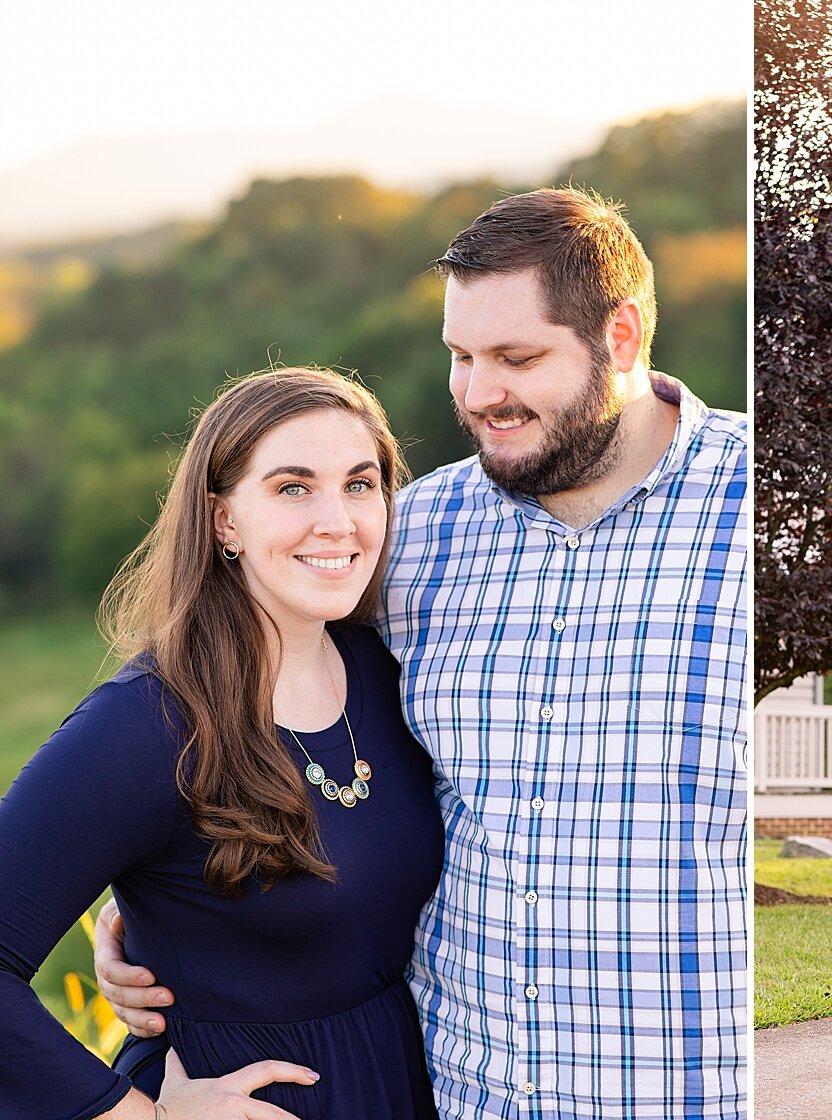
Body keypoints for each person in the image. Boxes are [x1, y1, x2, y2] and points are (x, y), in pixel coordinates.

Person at [98, 188, 749, 1119]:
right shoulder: (408, 537)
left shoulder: (762, 514)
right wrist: (161, 914)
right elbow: (267, 719)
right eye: (461, 356)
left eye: (516, 359)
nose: (479, 395)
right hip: (449, 1096)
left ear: (621, 337)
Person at [0, 368, 444, 1118]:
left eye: (360, 484)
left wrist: (145, 921)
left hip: (403, 1086)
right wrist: (138, 1115)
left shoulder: (397, 673)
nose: (337, 520)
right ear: (222, 522)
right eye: (292, 489)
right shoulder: (146, 724)